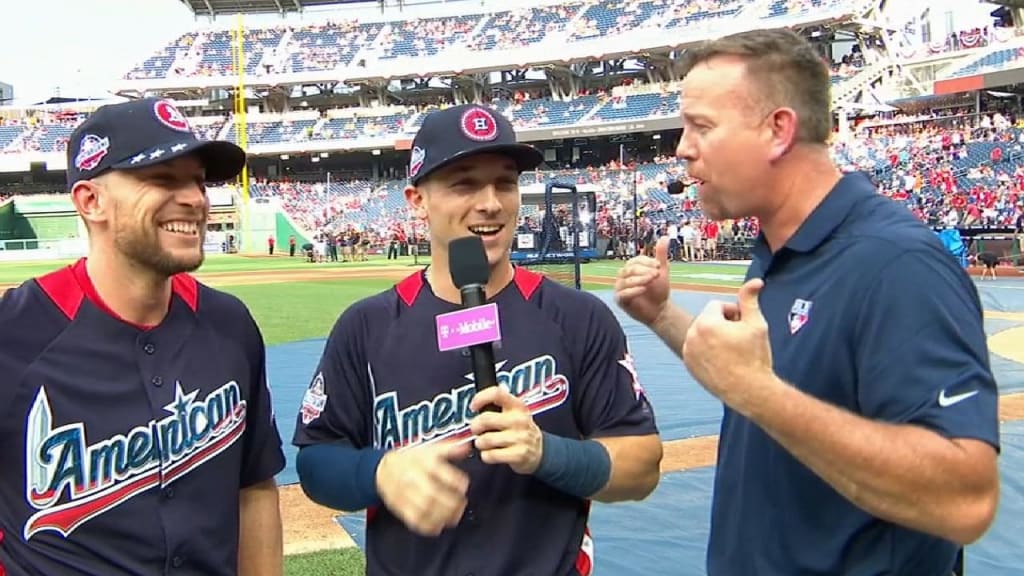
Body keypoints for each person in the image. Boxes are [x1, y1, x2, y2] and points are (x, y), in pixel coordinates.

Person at [614, 28, 999, 576]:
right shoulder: (781, 246)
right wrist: (662, 315)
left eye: (701, 126)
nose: (682, 147)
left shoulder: (896, 264)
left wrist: (760, 394)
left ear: (778, 131)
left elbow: (966, 501)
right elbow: (770, 376)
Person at [292, 103, 663, 576]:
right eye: (464, 183)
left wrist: (547, 452)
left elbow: (641, 465)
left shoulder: (578, 318)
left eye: (505, 182)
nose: (490, 202)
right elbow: (317, 463)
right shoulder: (367, 325)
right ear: (417, 200)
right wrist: (380, 472)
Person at [0, 98, 286, 576]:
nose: (196, 199)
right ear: (92, 201)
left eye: (198, 180)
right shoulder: (16, 332)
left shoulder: (229, 323)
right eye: (163, 178)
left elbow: (253, 486)